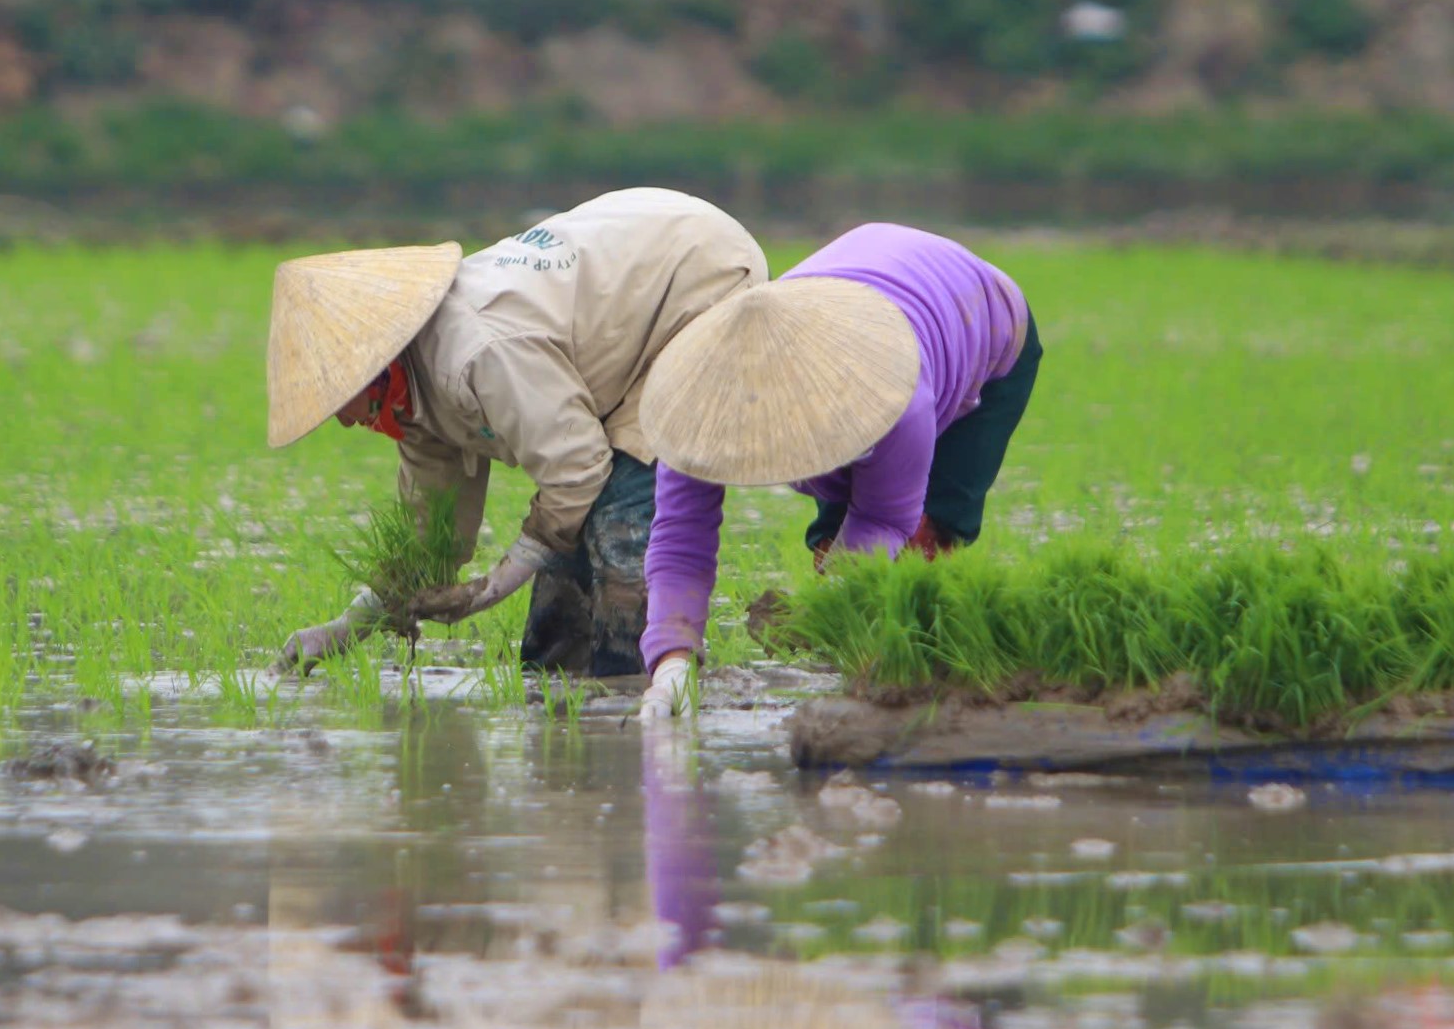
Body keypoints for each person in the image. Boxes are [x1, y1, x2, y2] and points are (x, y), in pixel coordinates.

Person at [269, 189, 768, 679]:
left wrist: (493, 588)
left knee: (618, 520)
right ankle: (566, 706)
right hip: (622, 290)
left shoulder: (477, 353)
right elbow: (432, 539)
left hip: (694, 275)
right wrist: (346, 627)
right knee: (556, 625)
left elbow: (577, 468)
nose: (342, 420)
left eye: (337, 400)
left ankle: (639, 689)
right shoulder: (412, 400)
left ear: (369, 368)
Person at [634, 223, 1040, 713]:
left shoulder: (895, 399)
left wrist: (831, 615)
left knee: (922, 544)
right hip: (858, 298)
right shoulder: (697, 410)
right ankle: (856, 668)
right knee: (831, 547)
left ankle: (918, 683)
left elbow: (887, 520)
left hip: (980, 321)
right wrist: (671, 664)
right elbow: (680, 539)